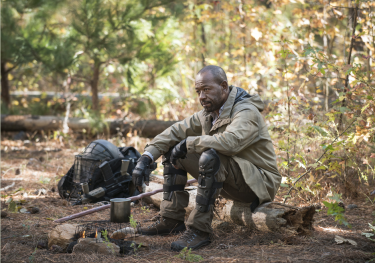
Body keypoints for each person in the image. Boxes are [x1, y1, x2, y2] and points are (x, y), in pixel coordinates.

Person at [132, 65, 281, 251]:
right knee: (173, 151)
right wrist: (146, 157)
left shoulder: (246, 111)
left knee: (211, 155)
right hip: (233, 178)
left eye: (206, 89)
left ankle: (200, 230)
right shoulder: (209, 113)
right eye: (198, 91)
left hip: (258, 184)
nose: (201, 96)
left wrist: (188, 143)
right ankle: (170, 219)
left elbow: (230, 143)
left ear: (224, 87)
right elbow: (174, 132)